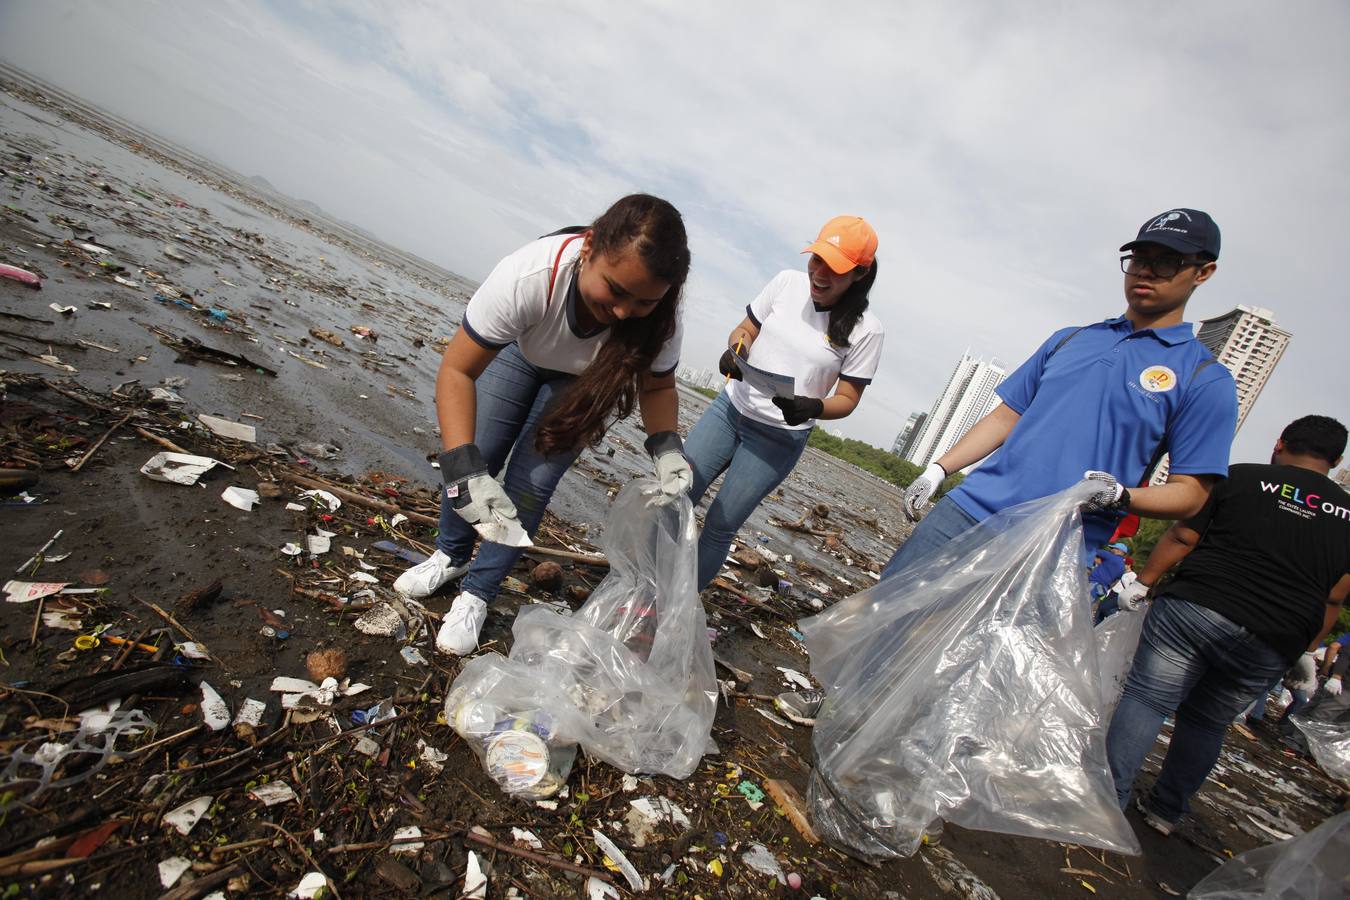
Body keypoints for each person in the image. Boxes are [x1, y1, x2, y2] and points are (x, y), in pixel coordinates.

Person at [777, 208, 1240, 724]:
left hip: (1054, 541)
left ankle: (903, 745)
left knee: (977, 653)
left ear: (1203, 272)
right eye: (1139, 259)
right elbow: (1005, 416)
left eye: (1167, 262)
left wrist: (1123, 495)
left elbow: (1192, 493)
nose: (1146, 272)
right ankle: (839, 707)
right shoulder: (1072, 339)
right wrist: (940, 468)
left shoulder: (1203, 377)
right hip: (974, 506)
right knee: (894, 606)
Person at [391, 194, 694, 655]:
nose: (622, 312)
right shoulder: (531, 274)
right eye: (614, 289)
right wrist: (462, 465)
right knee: (478, 454)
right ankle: (449, 555)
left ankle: (479, 592)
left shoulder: (661, 322)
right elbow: (457, 370)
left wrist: (667, 447)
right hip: (521, 352)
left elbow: (656, 388)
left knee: (531, 484)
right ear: (589, 247)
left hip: (583, 383)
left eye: (643, 302)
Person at [1105, 415, 1350, 836]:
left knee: (1148, 698)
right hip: (1276, 636)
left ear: (1279, 442)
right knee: (1207, 722)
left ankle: (1108, 797)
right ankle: (1165, 812)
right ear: (1336, 459)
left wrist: (1143, 582)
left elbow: (1185, 537)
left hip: (1199, 606)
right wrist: (1307, 649)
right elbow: (1334, 596)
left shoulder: (1240, 478)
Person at [685, 216, 885, 590]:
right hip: (729, 411)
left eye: (834, 269)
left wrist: (814, 407)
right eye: (817, 260)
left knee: (720, 525)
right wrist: (736, 349)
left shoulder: (867, 330)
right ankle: (638, 578)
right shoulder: (785, 283)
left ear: (859, 273)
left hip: (777, 438)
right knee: (675, 495)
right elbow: (745, 329)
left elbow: (848, 397)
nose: (819, 274)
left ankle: (671, 609)